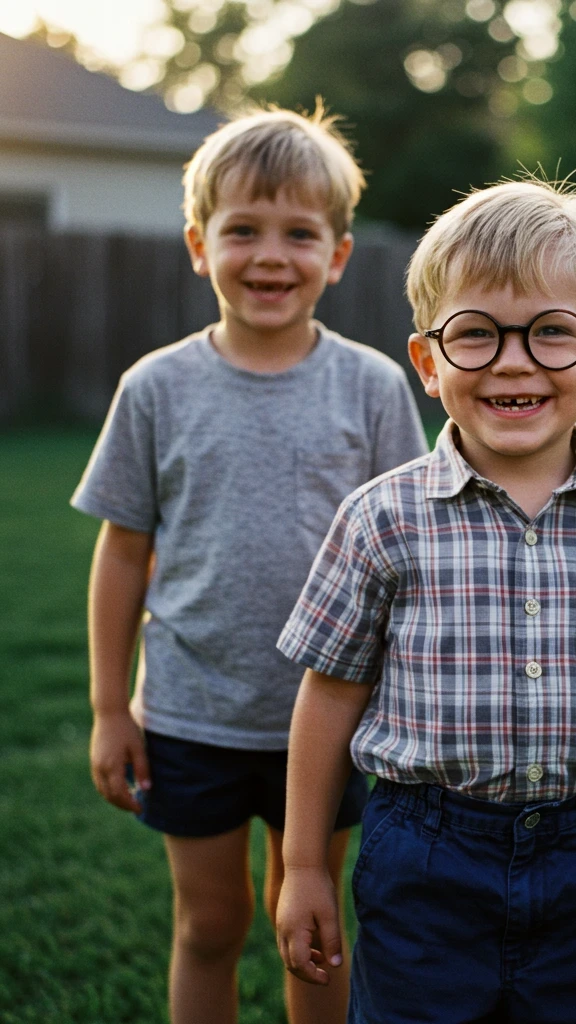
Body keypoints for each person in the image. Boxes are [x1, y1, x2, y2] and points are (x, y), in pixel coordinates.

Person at [274, 177, 576, 1023]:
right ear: (428, 360)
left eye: (552, 333)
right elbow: (329, 694)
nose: (513, 361)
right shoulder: (380, 520)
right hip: (423, 859)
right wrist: (305, 867)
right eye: (476, 334)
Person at [71, 106, 428, 1024]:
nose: (271, 255)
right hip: (192, 713)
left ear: (338, 255)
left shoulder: (374, 385)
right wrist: (113, 709)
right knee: (211, 922)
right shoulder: (155, 388)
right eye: (243, 230)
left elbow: (410, 556)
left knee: (310, 926)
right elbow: (122, 551)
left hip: (333, 714)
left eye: (300, 234)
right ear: (200, 244)